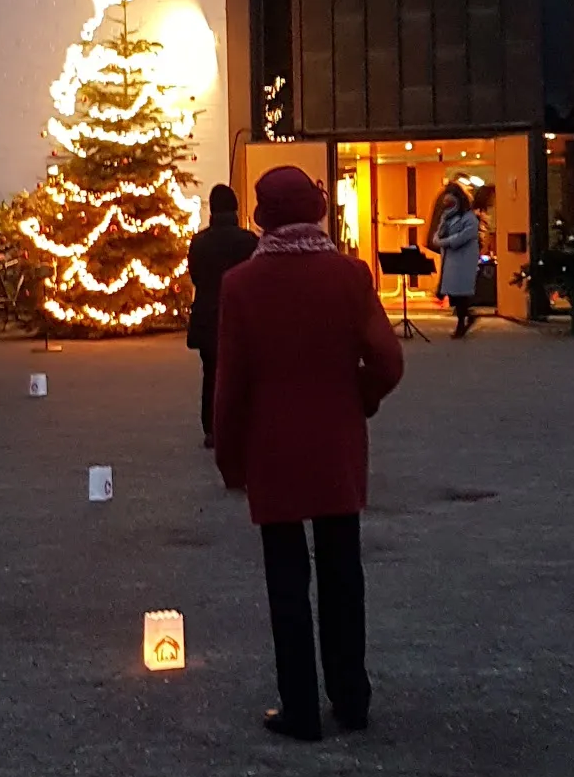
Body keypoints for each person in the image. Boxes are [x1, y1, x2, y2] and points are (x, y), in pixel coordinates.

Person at [214, 166, 404, 742]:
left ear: (262, 215)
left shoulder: (241, 284)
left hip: (273, 446)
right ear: (318, 209)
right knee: (344, 572)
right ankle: (351, 697)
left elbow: (231, 383)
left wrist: (230, 457)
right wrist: (360, 399)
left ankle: (298, 706)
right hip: (336, 442)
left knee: (286, 579)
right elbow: (388, 362)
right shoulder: (349, 274)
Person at [186, 184, 257, 447]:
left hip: (207, 315)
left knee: (211, 372)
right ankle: (239, 424)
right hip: (240, 316)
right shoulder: (248, 241)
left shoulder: (199, 242)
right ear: (236, 208)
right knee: (241, 372)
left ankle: (211, 428)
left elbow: (195, 277)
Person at [432, 184, 481, 339]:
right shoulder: (448, 217)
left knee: (461, 293)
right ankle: (467, 316)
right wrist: (443, 224)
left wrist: (444, 242)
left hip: (464, 260)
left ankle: (462, 322)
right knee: (454, 293)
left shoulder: (469, 218)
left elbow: (462, 237)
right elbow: (439, 235)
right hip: (452, 261)